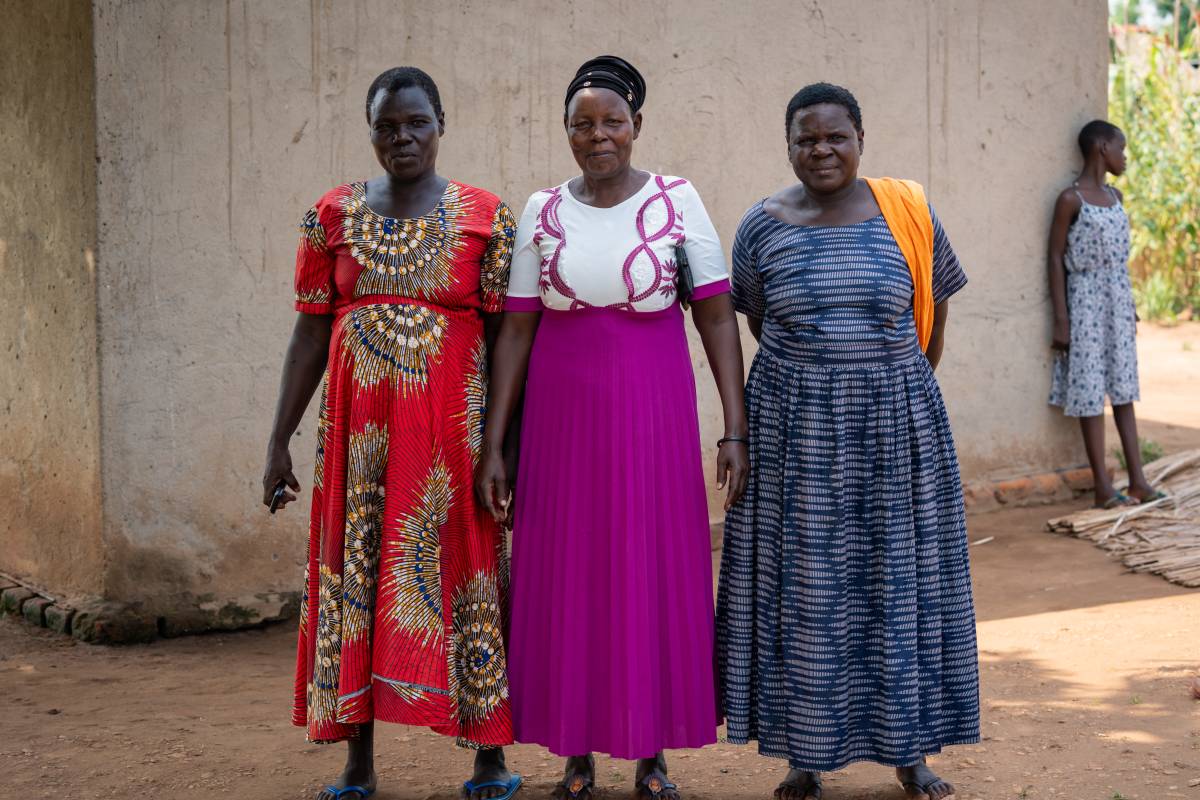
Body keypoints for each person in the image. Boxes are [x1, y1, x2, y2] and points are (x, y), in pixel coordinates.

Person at [474, 55, 749, 800]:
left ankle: (651, 752)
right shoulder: (541, 211)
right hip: (562, 420)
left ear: (637, 126)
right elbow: (517, 332)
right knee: (568, 572)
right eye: (582, 124)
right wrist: (495, 444)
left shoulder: (678, 200)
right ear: (566, 132)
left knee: (649, 566)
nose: (599, 136)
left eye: (613, 122)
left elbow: (717, 314)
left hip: (650, 409)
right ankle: (575, 752)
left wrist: (735, 427)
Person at [262, 67, 522, 800]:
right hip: (359, 446)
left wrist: (501, 445)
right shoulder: (331, 214)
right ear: (370, 130)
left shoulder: (488, 216)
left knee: (468, 576)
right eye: (386, 126)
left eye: (416, 123)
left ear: (442, 122)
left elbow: (507, 337)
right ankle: (358, 763)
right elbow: (309, 334)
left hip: (454, 441)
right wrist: (278, 438)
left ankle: (490, 757)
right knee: (360, 578)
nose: (401, 137)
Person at [715, 83, 979, 800]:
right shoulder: (760, 227)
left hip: (897, 427)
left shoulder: (909, 214)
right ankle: (806, 754)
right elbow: (758, 324)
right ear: (788, 145)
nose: (821, 151)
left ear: (861, 138)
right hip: (796, 431)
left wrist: (891, 385)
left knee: (902, 582)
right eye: (806, 139)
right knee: (808, 588)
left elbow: (934, 311)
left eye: (835, 137)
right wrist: (820, 380)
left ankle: (911, 751)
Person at [1048, 119, 1164, 509]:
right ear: (1101, 148)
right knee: (1089, 392)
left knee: (1124, 389)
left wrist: (1129, 306)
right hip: (1083, 302)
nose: (1124, 157)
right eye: (1121, 148)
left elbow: (1121, 261)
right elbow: (1054, 257)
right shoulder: (1070, 200)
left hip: (1117, 300)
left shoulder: (1116, 197)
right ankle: (1101, 486)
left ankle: (1138, 481)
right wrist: (1062, 319)